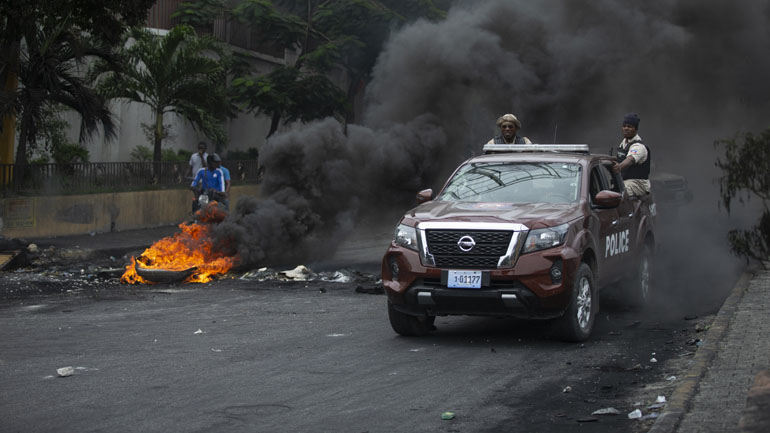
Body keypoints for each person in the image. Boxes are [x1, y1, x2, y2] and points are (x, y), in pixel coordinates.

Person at [612, 112, 650, 197]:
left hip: (637, 184)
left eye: (629, 126)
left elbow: (630, 159)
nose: (626, 128)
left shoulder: (639, 146)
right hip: (625, 181)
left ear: (635, 129)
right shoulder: (624, 143)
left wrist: (619, 167)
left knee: (618, 195)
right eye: (624, 126)